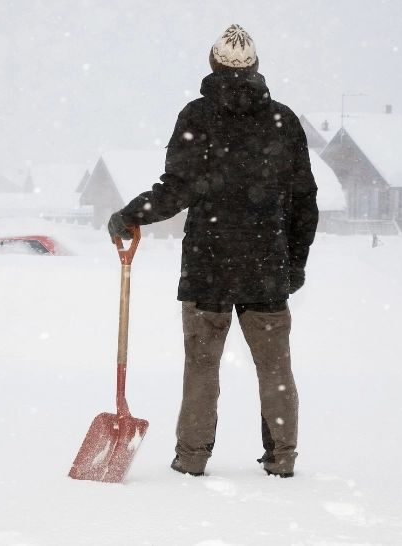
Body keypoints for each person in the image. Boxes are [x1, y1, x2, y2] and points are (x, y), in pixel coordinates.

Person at [107, 24, 319, 478]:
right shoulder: (283, 120)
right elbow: (305, 201)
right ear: (256, 67)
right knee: (275, 369)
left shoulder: (197, 117)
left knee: (202, 368)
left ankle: (192, 458)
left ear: (212, 63)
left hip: (209, 265)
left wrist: (131, 215)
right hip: (266, 266)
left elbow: (177, 188)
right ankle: (282, 458)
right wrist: (293, 263)